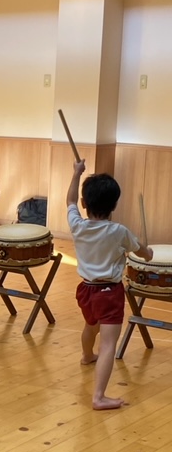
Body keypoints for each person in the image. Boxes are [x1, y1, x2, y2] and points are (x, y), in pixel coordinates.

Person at [67, 159, 152, 410]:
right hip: (109, 293)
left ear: (84, 203)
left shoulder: (77, 225)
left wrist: (76, 174)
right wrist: (148, 253)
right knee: (108, 345)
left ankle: (86, 356)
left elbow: (69, 201)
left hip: (85, 290)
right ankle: (99, 397)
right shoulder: (118, 231)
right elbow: (141, 251)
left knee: (90, 326)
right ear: (114, 205)